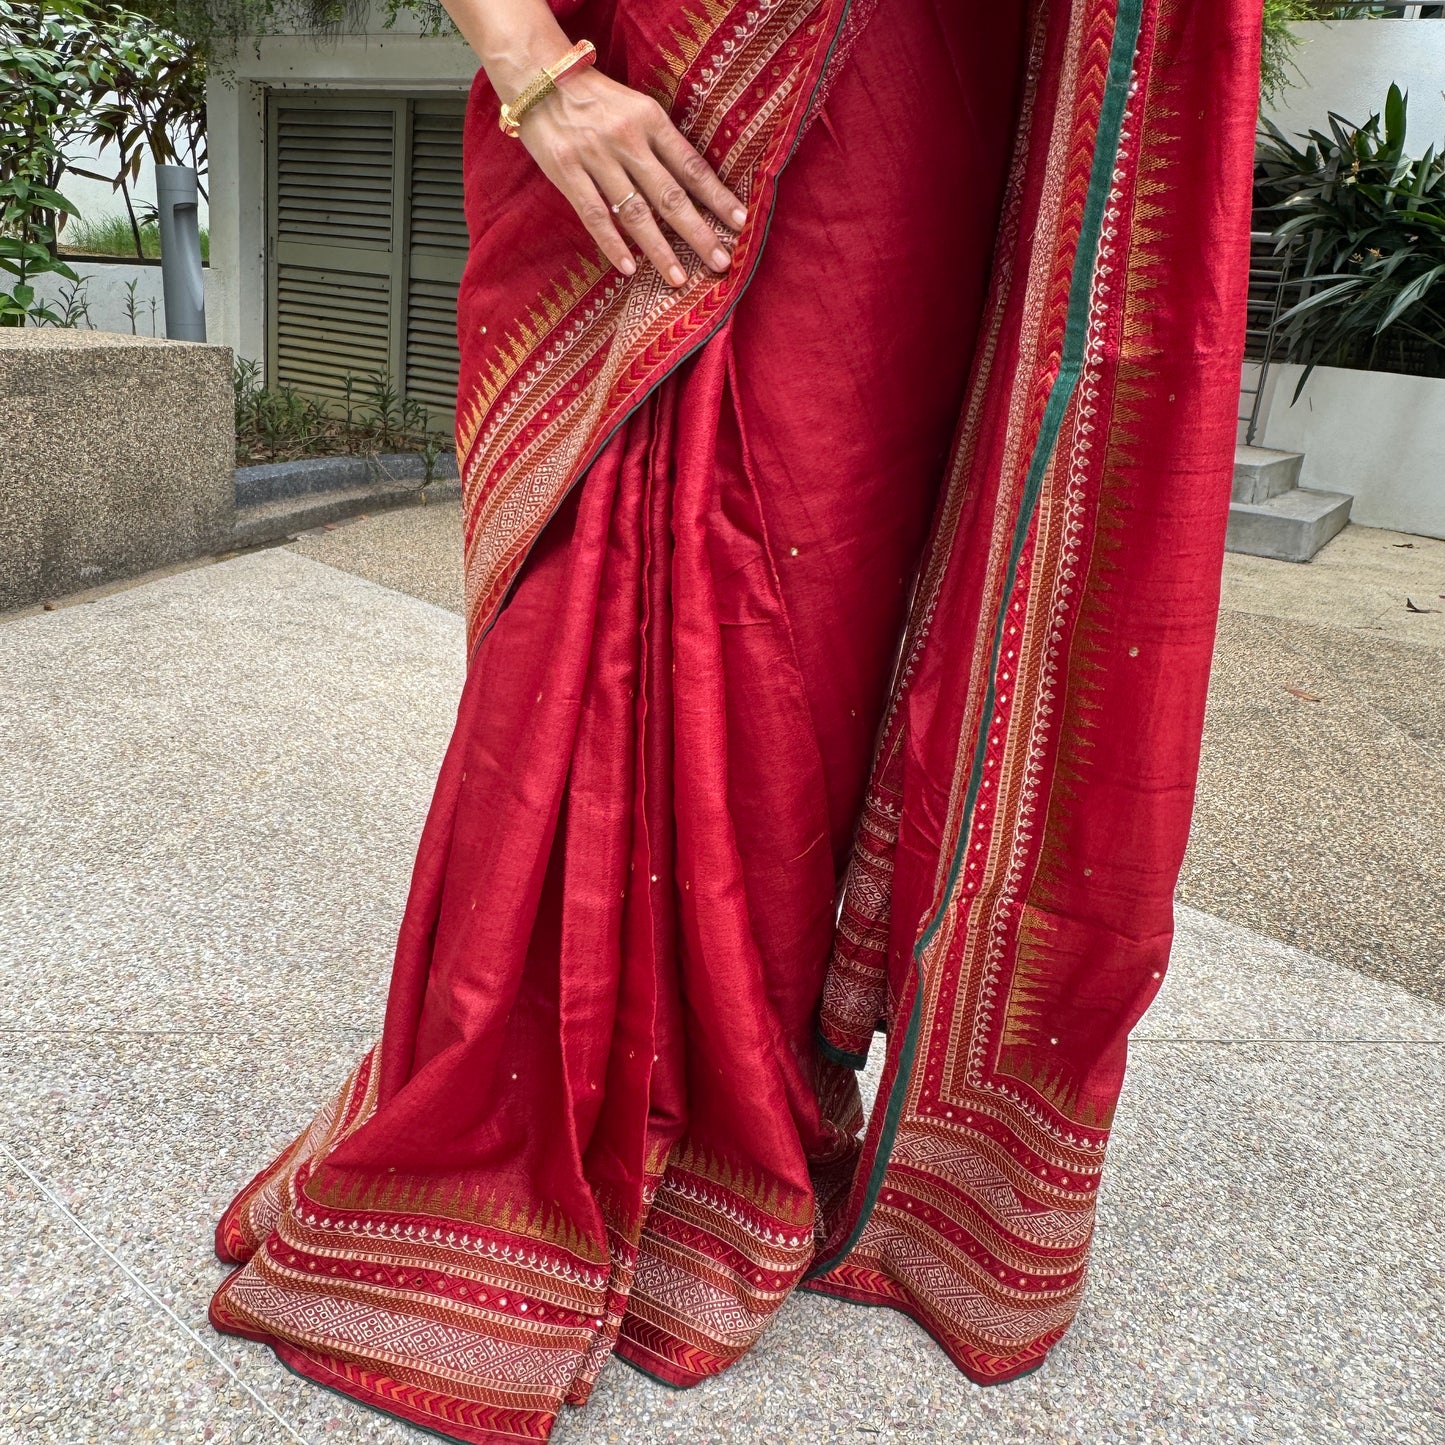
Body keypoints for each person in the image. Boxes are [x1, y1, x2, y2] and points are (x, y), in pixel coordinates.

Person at [209, 1, 1264, 1440]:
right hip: (662, 75)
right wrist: (539, 75)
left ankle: (733, 1118)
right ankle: (520, 1126)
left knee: (812, 628)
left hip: (928, 87)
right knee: (608, 604)